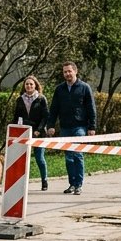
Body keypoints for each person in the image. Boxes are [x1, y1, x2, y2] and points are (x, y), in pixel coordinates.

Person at [45, 62, 98, 195]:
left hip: (79, 126)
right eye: (65, 72)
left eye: (69, 71)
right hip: (65, 127)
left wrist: (92, 127)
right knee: (68, 156)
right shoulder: (60, 89)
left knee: (77, 154)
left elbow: (91, 108)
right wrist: (51, 125)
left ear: (75, 71)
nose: (67, 74)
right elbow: (54, 109)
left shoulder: (84, 87)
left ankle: (79, 184)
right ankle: (72, 184)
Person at [13, 75, 50, 191]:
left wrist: (39, 130)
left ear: (35, 86)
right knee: (22, 158)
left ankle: (44, 180)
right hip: (24, 131)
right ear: (24, 86)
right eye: (27, 84)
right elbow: (16, 117)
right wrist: (16, 129)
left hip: (38, 132)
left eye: (31, 84)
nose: (29, 86)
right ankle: (21, 182)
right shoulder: (20, 99)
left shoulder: (41, 98)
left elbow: (45, 117)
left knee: (39, 158)